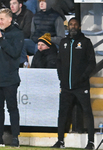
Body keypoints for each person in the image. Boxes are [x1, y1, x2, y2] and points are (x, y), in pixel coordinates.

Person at [52, 17, 96, 149]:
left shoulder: (86, 42)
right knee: (62, 113)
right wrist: (61, 78)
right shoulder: (63, 42)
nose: (73, 27)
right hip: (66, 86)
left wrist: (83, 77)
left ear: (79, 27)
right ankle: (60, 141)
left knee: (87, 112)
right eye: (71, 24)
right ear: (68, 27)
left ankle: (91, 142)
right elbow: (59, 61)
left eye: (75, 25)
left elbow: (91, 63)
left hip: (81, 86)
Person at [0, 8, 24, 147]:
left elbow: (14, 53)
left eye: (2, 19)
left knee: (12, 108)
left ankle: (15, 139)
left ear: (9, 19)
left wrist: (1, 40)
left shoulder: (17, 34)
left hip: (9, 78)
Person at [20, 0, 65, 67]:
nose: (41, 3)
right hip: (36, 42)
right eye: (40, 1)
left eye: (44, 1)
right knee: (22, 42)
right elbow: (32, 33)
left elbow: (61, 38)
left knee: (38, 47)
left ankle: (38, 69)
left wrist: (47, 39)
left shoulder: (57, 17)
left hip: (51, 44)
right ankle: (24, 64)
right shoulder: (35, 16)